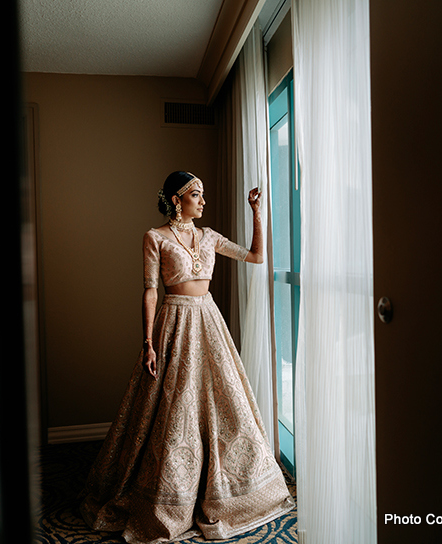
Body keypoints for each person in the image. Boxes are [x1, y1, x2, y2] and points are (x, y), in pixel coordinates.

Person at [79, 171, 295, 543]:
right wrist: (147, 342)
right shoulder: (155, 238)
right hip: (174, 320)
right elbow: (149, 291)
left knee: (225, 403)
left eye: (203, 195)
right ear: (177, 200)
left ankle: (227, 490)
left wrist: (256, 212)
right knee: (172, 408)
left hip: (208, 319)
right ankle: (171, 494)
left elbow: (257, 257)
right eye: (197, 195)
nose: (203, 201)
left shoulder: (209, 237)